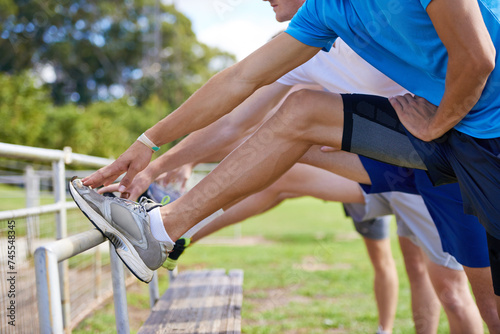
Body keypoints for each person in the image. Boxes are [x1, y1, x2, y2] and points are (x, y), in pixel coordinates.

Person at [72, 0, 500, 323]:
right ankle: (162, 230)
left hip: (470, 127)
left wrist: (435, 124)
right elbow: (240, 81)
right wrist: (150, 145)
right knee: (298, 115)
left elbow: (478, 57)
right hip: (437, 133)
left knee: (484, 305)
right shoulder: (323, 14)